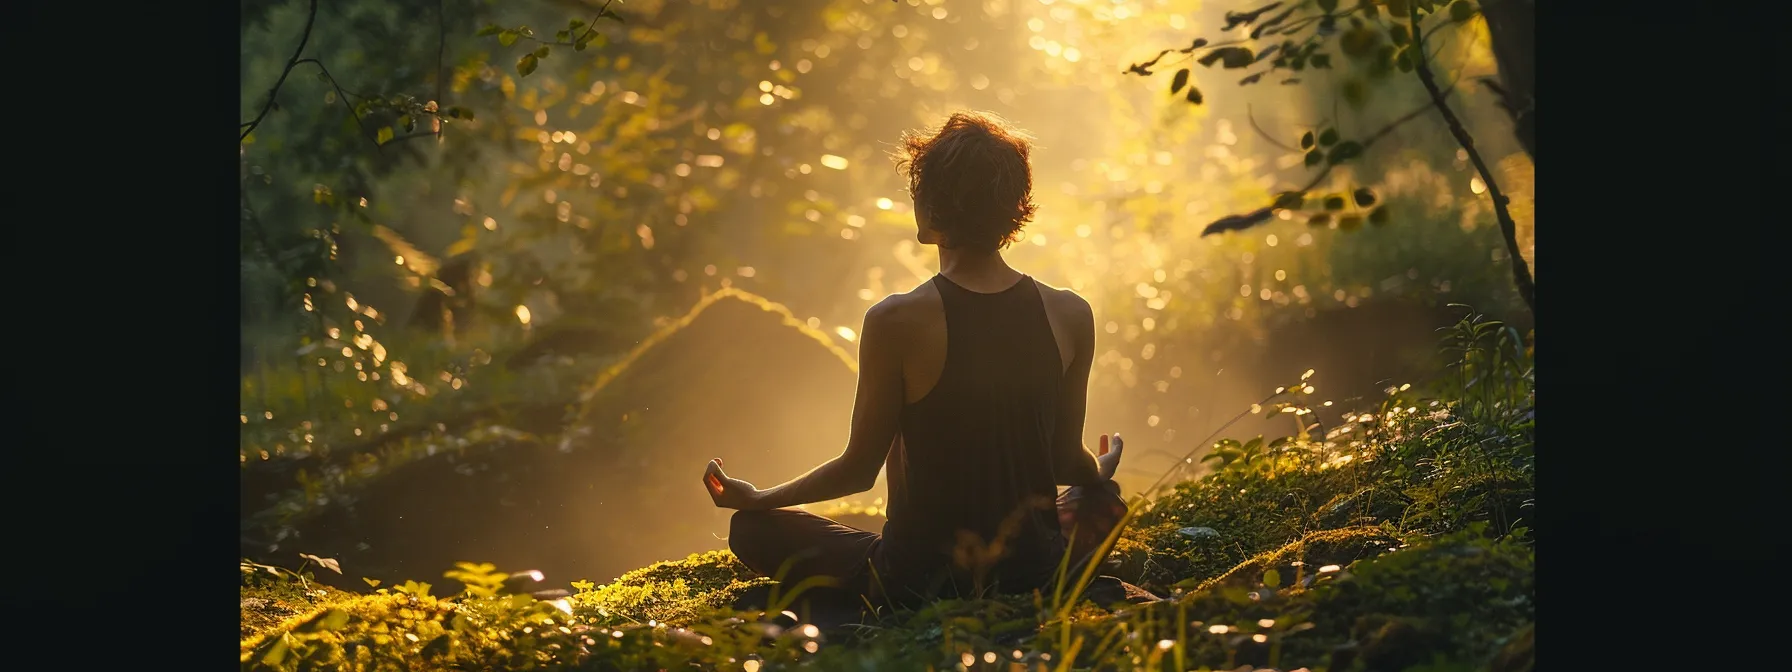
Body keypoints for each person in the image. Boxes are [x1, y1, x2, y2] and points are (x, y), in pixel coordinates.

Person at [700, 111, 1131, 614]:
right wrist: (1098, 471)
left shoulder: (895, 320)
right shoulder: (1070, 313)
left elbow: (857, 471)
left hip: (916, 580)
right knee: (1103, 500)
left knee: (752, 529)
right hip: (1033, 572)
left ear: (930, 205)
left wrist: (758, 498)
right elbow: (1065, 462)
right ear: (1015, 205)